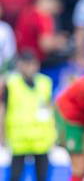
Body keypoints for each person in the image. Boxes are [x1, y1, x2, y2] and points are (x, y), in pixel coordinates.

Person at [1, 51, 55, 181]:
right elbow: (3, 110)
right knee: (15, 176)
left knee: (42, 176)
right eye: (27, 64)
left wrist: (54, 133)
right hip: (19, 139)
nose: (30, 67)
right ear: (20, 65)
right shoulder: (10, 83)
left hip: (41, 139)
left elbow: (50, 109)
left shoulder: (45, 82)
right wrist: (2, 135)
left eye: (33, 64)